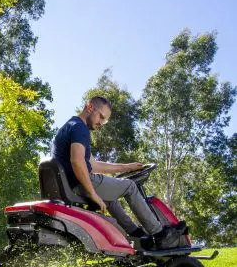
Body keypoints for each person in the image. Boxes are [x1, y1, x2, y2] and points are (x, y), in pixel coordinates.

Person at [50, 96, 181, 248]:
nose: (101, 123)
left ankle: (137, 234)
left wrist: (126, 167)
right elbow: (77, 161)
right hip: (79, 183)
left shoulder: (71, 126)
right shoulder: (80, 128)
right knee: (130, 187)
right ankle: (160, 234)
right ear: (90, 107)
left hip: (71, 184)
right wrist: (93, 194)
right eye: (101, 117)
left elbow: (93, 165)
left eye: (105, 121)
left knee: (109, 197)